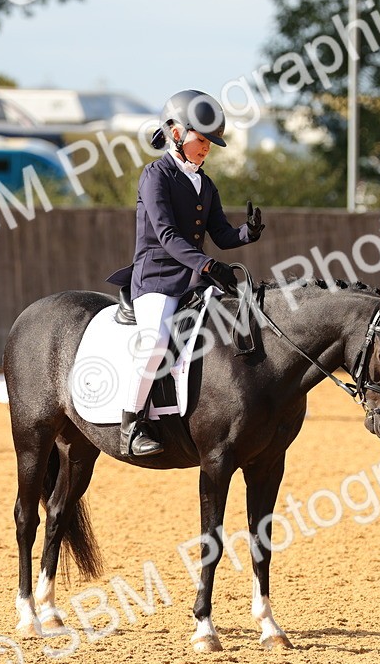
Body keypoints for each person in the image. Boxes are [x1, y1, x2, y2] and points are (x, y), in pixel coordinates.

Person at [105, 89, 265, 457]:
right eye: (202, 139)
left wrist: (248, 232)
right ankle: (131, 424)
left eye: (210, 143)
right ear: (176, 132)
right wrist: (207, 265)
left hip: (193, 278)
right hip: (157, 278)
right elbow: (166, 235)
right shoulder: (155, 176)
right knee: (156, 342)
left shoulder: (204, 183)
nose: (207, 148)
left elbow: (221, 235)